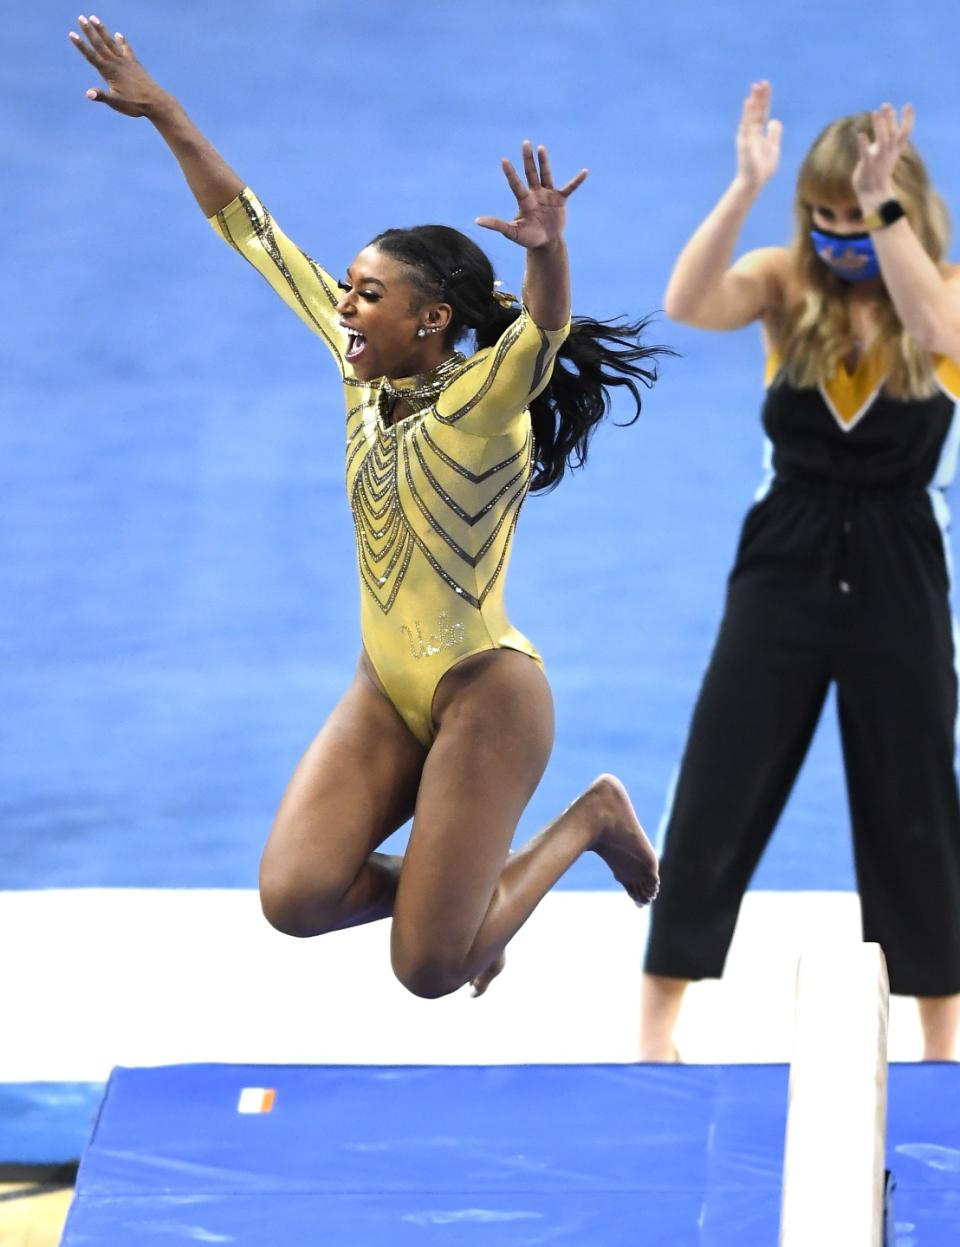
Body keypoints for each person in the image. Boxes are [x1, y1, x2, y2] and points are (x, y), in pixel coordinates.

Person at [70, 15, 665, 1000]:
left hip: (485, 697)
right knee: (296, 893)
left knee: (429, 968)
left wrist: (547, 251)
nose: (344, 306)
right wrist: (166, 112)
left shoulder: (480, 406)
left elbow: (545, 330)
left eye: (368, 294)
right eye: (347, 289)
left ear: (429, 320)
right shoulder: (358, 371)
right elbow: (250, 230)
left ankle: (590, 820)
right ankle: (476, 894)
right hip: (385, 684)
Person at [640, 82, 960, 1061]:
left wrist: (884, 213)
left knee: (915, 799)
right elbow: (688, 302)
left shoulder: (941, 286)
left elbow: (940, 336)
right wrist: (744, 188)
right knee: (721, 778)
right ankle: (657, 1029)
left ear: (899, 207)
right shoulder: (786, 285)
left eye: (852, 215)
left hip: (902, 558)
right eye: (821, 217)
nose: (836, 236)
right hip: (784, 555)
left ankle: (942, 1041)